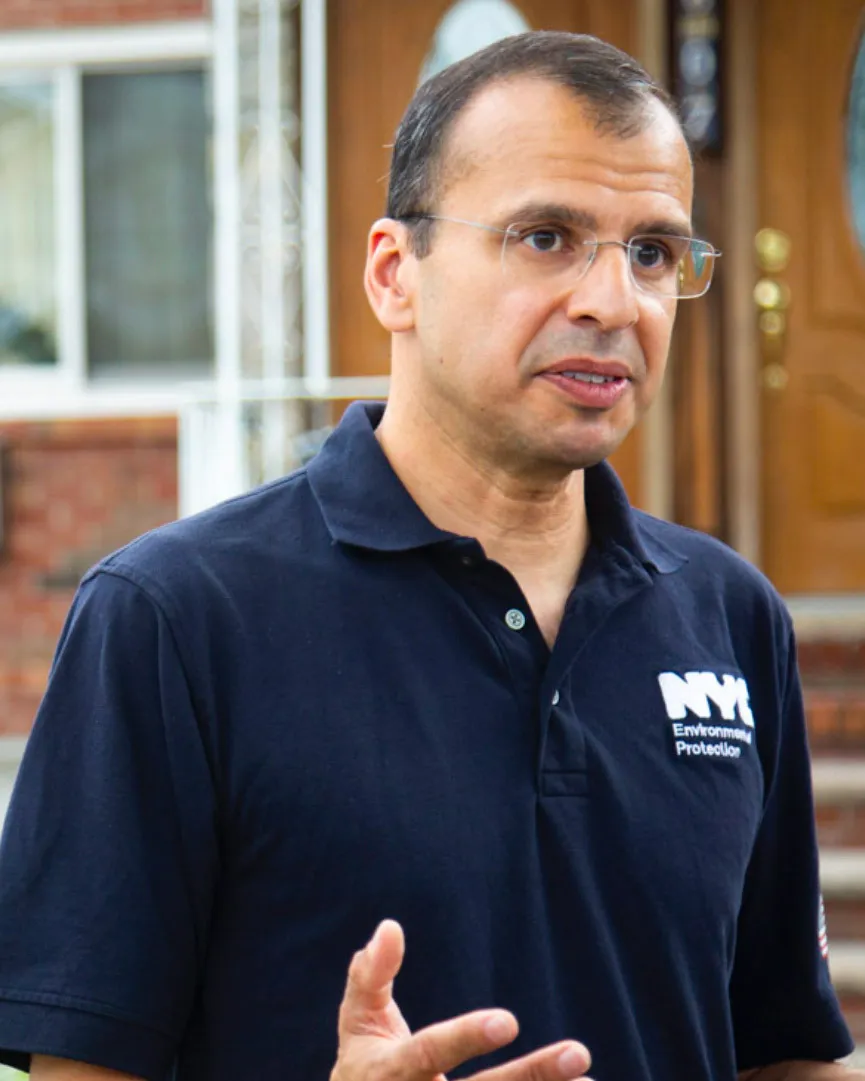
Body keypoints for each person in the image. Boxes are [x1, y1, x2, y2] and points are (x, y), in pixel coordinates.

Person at [0, 29, 855, 1081]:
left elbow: (789, 1052)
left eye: (652, 252)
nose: (612, 301)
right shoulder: (173, 619)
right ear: (395, 274)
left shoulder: (728, 618)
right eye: (546, 236)